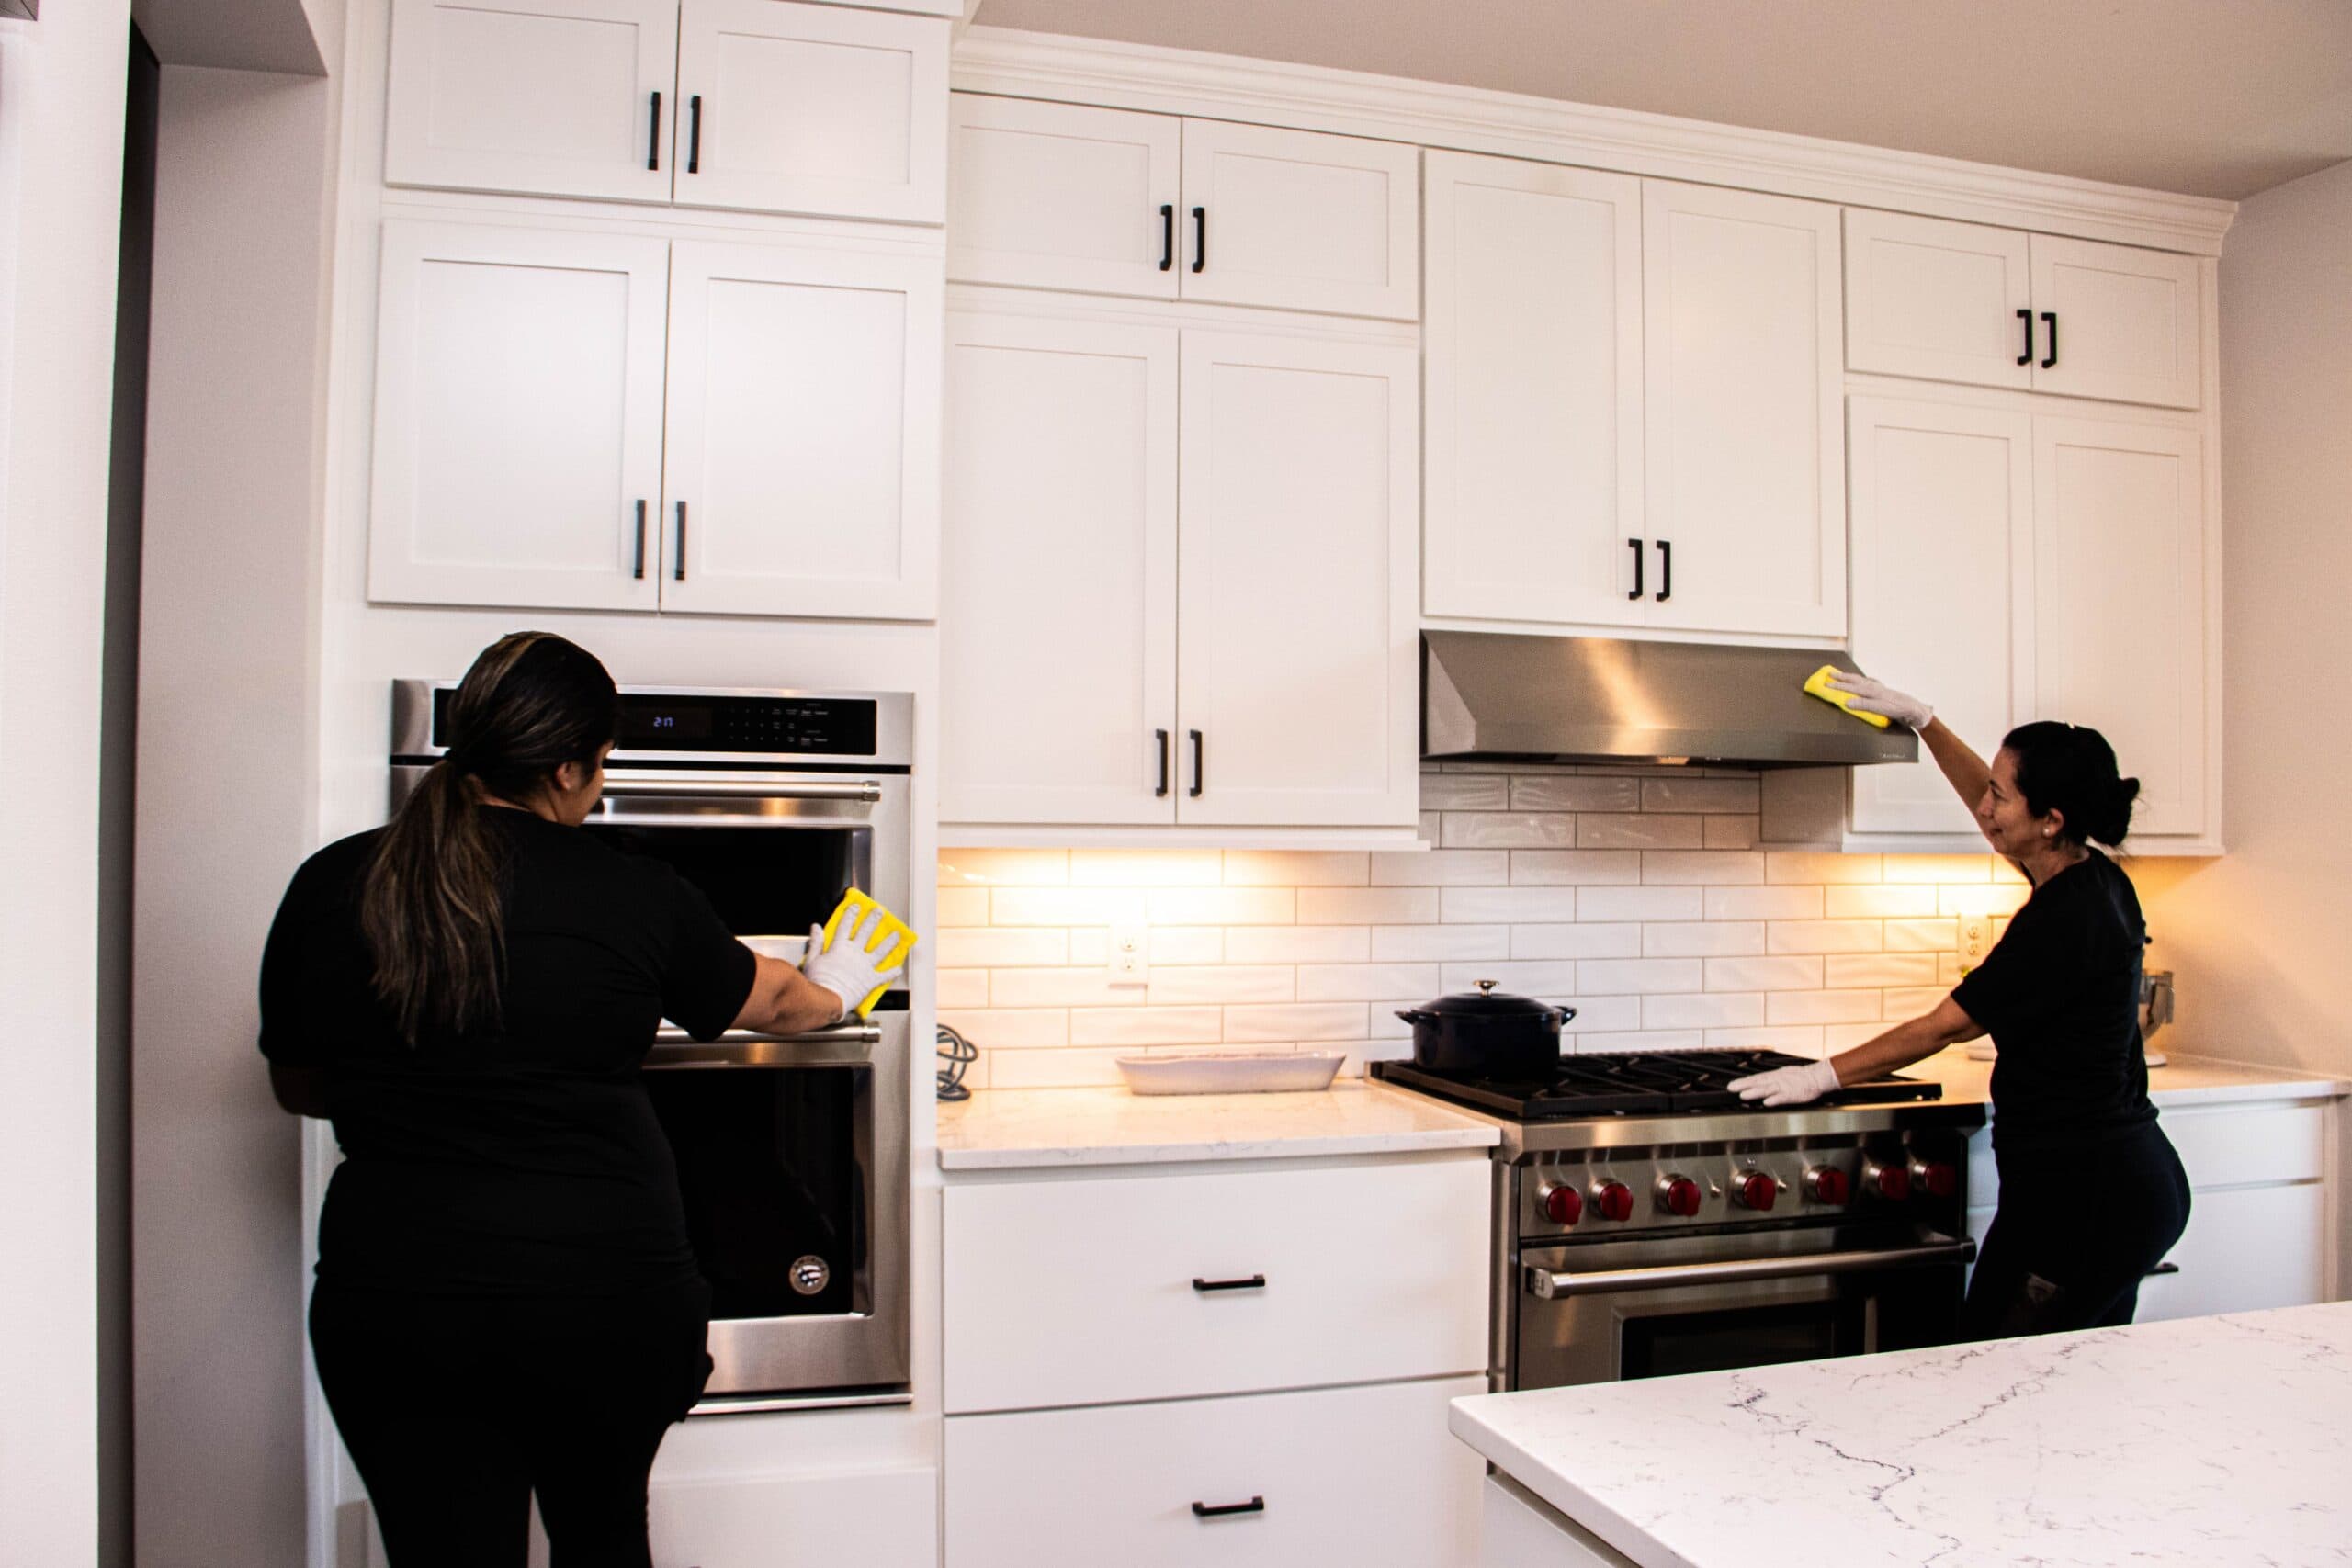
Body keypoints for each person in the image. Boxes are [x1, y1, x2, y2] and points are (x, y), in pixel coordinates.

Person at [258, 631, 903, 1568]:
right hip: (605, 1299)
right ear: (567, 767)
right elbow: (772, 1000)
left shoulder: (334, 883)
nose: (599, 789)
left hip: (399, 1299)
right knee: (602, 1542)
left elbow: (299, 1086)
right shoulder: (627, 887)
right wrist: (841, 982)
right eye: (600, 767)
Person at [1729, 672, 2188, 1340]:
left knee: (1996, 1370)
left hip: (2085, 1200)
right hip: (2113, 1187)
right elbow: (1991, 799)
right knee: (2072, 1377)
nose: (1985, 807)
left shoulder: (2063, 919)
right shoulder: (2090, 873)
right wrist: (1926, 722)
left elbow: (1948, 1023)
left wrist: (1820, 1074)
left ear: (2050, 819)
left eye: (2002, 796)